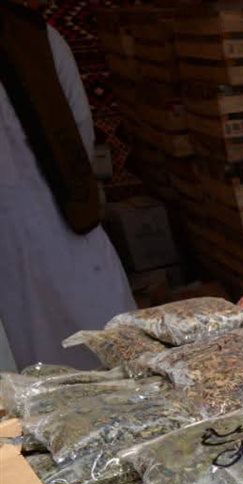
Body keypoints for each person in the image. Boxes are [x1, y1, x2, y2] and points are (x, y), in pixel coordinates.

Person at [0, 0, 134, 370]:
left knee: (100, 345)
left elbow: (77, 134)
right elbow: (80, 132)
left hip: (61, 220)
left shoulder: (36, 36)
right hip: (58, 216)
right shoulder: (38, 34)